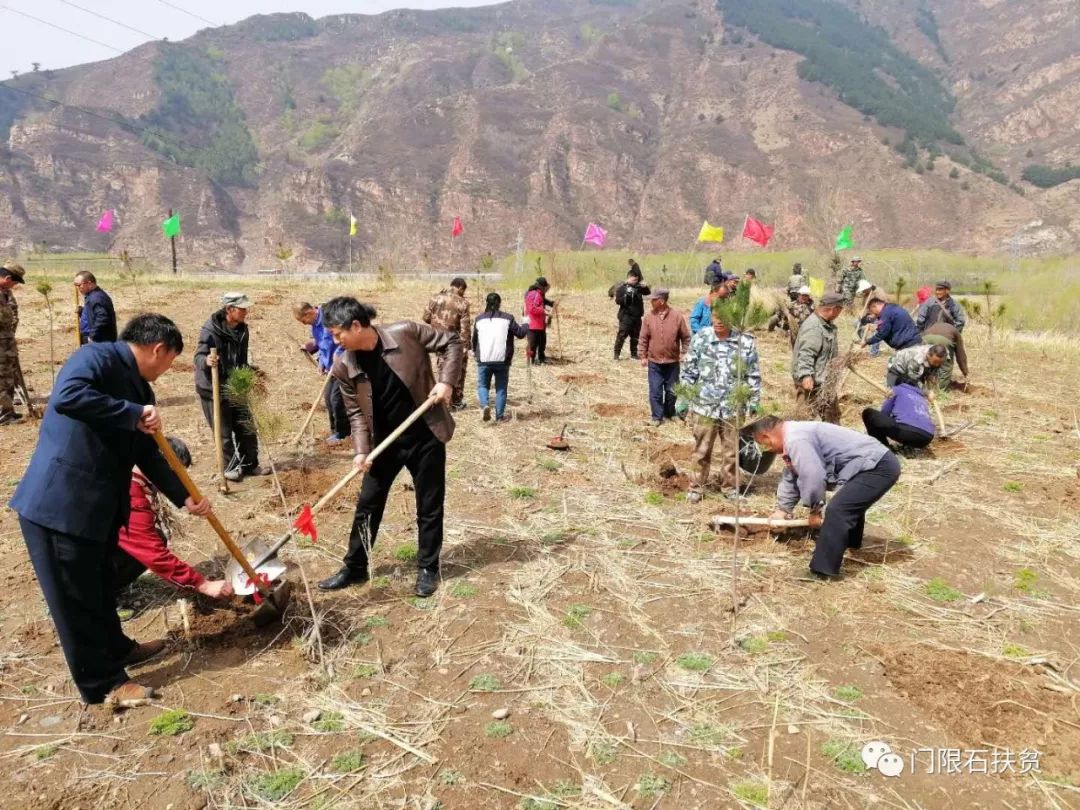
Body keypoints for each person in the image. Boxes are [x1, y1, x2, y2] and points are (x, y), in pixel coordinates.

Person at [8, 314, 213, 706]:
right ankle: (103, 684)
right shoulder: (95, 359)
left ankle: (118, 649)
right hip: (60, 506)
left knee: (100, 587)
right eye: (171, 361)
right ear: (158, 349)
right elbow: (67, 396)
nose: (167, 369)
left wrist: (182, 495)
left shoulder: (142, 391)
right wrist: (131, 413)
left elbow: (147, 453)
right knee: (75, 599)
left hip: (97, 510)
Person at [318, 297, 461, 598]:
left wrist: (447, 381)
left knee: (429, 506)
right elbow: (356, 414)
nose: (334, 340)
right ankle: (355, 567)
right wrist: (360, 451)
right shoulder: (345, 366)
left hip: (425, 436)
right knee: (367, 506)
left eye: (336, 333)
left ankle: (427, 568)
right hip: (382, 445)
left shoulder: (405, 333)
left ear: (355, 325)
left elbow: (452, 341)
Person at [751, 415, 901, 579]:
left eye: (763, 444)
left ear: (766, 437)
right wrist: (782, 509)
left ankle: (823, 570)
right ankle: (849, 542)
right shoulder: (793, 435)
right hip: (871, 463)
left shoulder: (796, 439)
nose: (767, 449)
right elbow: (793, 473)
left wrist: (815, 510)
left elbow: (812, 475)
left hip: (878, 465)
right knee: (848, 502)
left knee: (838, 509)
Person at [112, 436, 233, 600]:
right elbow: (154, 555)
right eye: (176, 476)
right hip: (78, 566)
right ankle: (100, 595)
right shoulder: (130, 498)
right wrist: (202, 584)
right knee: (148, 544)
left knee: (157, 536)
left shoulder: (120, 471)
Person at [679, 309, 761, 503]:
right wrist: (683, 398)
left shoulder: (745, 342)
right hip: (704, 405)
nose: (719, 321)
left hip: (733, 407)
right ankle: (696, 487)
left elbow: (753, 374)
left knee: (732, 451)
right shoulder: (701, 338)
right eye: (715, 316)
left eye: (723, 317)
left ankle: (730, 487)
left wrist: (754, 400)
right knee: (701, 450)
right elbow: (689, 372)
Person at [194, 292, 267, 482]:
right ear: (229, 309)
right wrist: (207, 361)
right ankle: (230, 467)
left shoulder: (243, 330)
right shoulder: (210, 329)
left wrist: (249, 373)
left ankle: (250, 464)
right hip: (214, 388)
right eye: (242, 308)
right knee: (223, 431)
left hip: (236, 385)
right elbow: (198, 356)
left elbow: (240, 358)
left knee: (246, 427)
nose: (246, 312)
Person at [294, 301, 350, 443]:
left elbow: (343, 338)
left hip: (343, 365)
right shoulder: (314, 325)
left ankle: (344, 433)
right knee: (328, 400)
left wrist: (338, 355)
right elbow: (322, 344)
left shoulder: (330, 317)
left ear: (309, 313)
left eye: (303, 320)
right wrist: (320, 361)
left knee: (336, 400)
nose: (303, 323)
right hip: (329, 368)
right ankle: (335, 431)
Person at [473, 292, 528, 422]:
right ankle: (499, 417)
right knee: (501, 388)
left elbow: (474, 340)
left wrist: (475, 354)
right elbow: (520, 333)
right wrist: (526, 322)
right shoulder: (508, 318)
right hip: (502, 360)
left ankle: (485, 405)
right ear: (499, 303)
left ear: (486, 303)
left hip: (484, 359)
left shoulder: (479, 319)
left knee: (482, 386)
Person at [639, 289, 690, 426]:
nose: (651, 302)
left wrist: (684, 352)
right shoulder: (649, 317)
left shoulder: (677, 317)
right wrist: (643, 355)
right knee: (655, 390)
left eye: (653, 299)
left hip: (672, 362)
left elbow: (685, 337)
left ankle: (670, 413)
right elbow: (643, 337)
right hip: (654, 362)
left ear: (661, 301)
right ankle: (657, 417)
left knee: (671, 391)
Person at [791, 292, 844, 423]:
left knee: (832, 417)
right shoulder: (814, 326)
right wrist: (806, 375)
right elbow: (806, 353)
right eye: (840, 310)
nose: (840, 314)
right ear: (833, 309)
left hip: (824, 381)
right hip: (811, 383)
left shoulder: (826, 324)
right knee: (805, 419)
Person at [422, 278, 472, 410]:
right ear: (460, 287)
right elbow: (465, 328)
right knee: (457, 369)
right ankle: (455, 401)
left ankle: (440, 398)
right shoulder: (463, 303)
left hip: (436, 339)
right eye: (463, 290)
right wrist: (465, 346)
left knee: (441, 366)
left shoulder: (434, 298)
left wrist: (438, 324)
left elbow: (426, 317)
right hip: (453, 342)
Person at [862, 384, 935, 450]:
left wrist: (887, 399)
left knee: (869, 413)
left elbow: (884, 413)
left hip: (906, 431)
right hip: (927, 438)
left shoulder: (897, 389)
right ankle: (908, 447)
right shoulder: (921, 397)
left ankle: (883, 448)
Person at [0, 263, 25, 425]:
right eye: (14, 283)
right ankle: (3, 415)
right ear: (7, 279)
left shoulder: (4, 293)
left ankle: (8, 411)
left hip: (6, 345)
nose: (14, 286)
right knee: (2, 379)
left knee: (8, 377)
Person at [611, 267, 650, 360]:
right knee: (621, 336)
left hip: (637, 317)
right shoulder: (622, 288)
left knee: (635, 336)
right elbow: (618, 301)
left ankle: (633, 354)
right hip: (626, 317)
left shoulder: (638, 287)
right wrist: (626, 296)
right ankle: (616, 355)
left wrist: (645, 286)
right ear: (628, 278)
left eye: (637, 280)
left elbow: (647, 292)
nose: (635, 281)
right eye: (634, 280)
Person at [921, 320, 968, 390]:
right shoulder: (954, 330)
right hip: (943, 340)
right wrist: (965, 372)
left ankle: (922, 387)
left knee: (925, 362)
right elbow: (960, 354)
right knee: (946, 366)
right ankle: (940, 390)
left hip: (925, 337)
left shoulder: (934, 324)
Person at [74, 271, 117, 344]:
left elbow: (102, 318)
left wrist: (92, 336)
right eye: (75, 285)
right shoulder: (92, 296)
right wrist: (82, 311)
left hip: (98, 342)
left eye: (79, 285)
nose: (77, 288)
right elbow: (93, 315)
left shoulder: (97, 298)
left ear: (89, 283)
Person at [524, 277, 554, 365]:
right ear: (541, 287)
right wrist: (544, 311)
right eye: (545, 288)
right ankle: (530, 362)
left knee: (541, 342)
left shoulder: (539, 293)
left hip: (539, 323)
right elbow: (532, 309)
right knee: (532, 344)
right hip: (532, 324)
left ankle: (541, 358)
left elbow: (543, 301)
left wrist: (551, 304)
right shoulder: (532, 294)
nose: (546, 290)